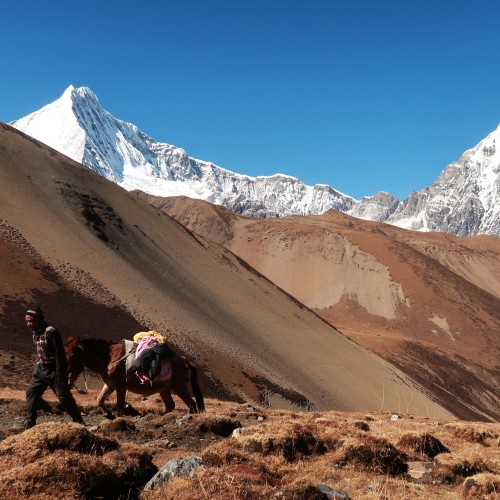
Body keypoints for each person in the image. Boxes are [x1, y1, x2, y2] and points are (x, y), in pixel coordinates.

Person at [22, 305, 84, 429]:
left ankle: (78, 420)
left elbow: (59, 354)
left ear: (38, 319)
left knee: (63, 397)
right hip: (40, 369)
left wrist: (62, 374)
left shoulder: (51, 332)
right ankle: (30, 421)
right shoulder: (35, 331)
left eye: (30, 321)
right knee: (31, 392)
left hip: (54, 370)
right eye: (26, 321)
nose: (28, 324)